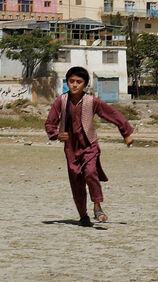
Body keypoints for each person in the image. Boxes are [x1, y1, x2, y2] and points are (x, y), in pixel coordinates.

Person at [43, 66, 135, 226]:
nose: (74, 85)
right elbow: (50, 123)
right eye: (71, 81)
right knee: (76, 182)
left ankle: (97, 206)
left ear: (85, 85)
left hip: (89, 145)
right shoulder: (61, 101)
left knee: (91, 172)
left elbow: (112, 114)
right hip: (71, 149)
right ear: (67, 82)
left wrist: (126, 133)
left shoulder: (92, 101)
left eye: (79, 82)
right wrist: (57, 134)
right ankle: (83, 215)